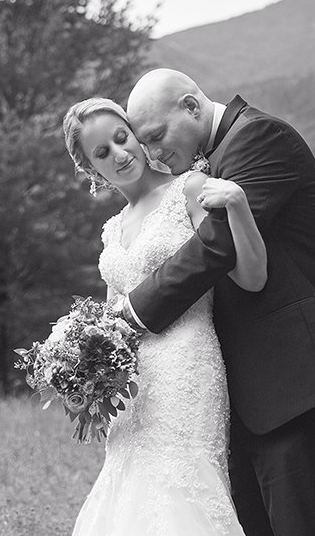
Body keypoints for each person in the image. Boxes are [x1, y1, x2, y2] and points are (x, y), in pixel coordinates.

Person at [118, 68, 315, 536]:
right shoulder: (206, 163)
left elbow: (216, 245)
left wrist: (129, 315)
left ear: (191, 106)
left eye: (156, 136)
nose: (152, 154)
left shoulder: (260, 137)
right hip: (242, 395)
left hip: (294, 382)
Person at [63, 96, 267, 536]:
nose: (120, 154)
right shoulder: (112, 230)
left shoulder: (191, 189)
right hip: (133, 386)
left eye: (122, 138)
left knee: (180, 490)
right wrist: (83, 372)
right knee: (129, 497)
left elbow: (250, 276)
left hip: (186, 366)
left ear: (136, 134)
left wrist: (238, 205)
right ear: (91, 169)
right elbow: (110, 319)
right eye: (103, 153)